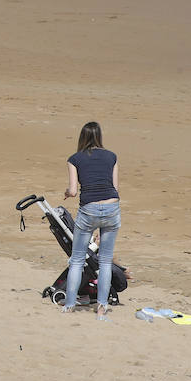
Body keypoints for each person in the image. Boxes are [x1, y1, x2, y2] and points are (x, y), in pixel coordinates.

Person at [62, 122, 121, 320]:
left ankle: (70, 305)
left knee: (77, 260)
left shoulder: (74, 159)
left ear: (82, 137)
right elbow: (115, 188)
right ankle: (102, 308)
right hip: (111, 207)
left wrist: (67, 193)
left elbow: (73, 191)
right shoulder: (111, 156)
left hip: (89, 209)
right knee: (105, 260)